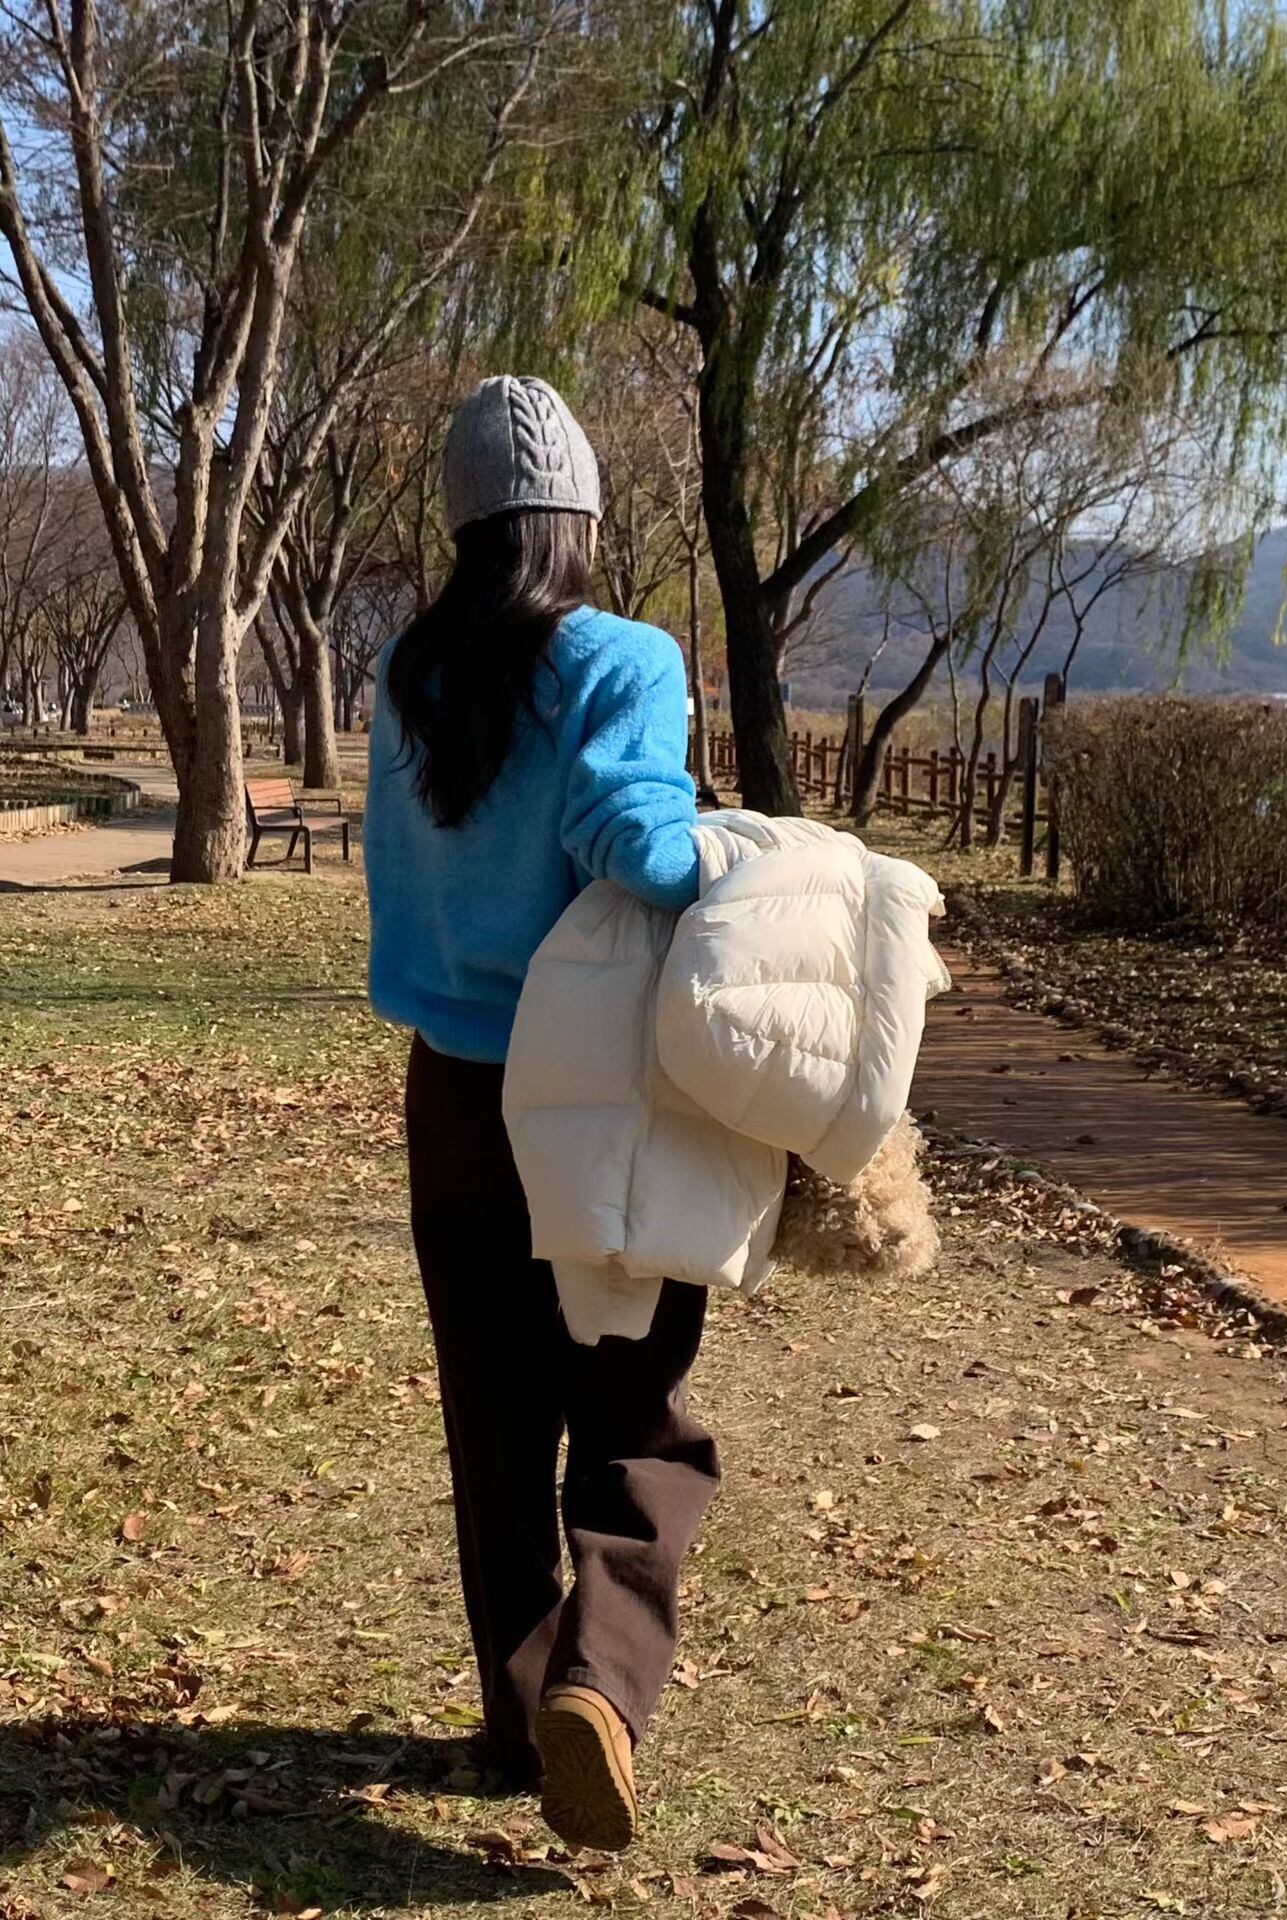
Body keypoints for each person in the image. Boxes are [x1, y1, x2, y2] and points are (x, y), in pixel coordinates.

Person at [364, 376, 718, 1854]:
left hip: (451, 1095)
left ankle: (519, 1720)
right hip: (594, 1094)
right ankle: (601, 1685)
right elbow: (637, 841)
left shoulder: (408, 672)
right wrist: (742, 858)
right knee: (638, 1417)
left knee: (494, 1421)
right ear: (573, 519)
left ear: (464, 528)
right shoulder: (623, 656)